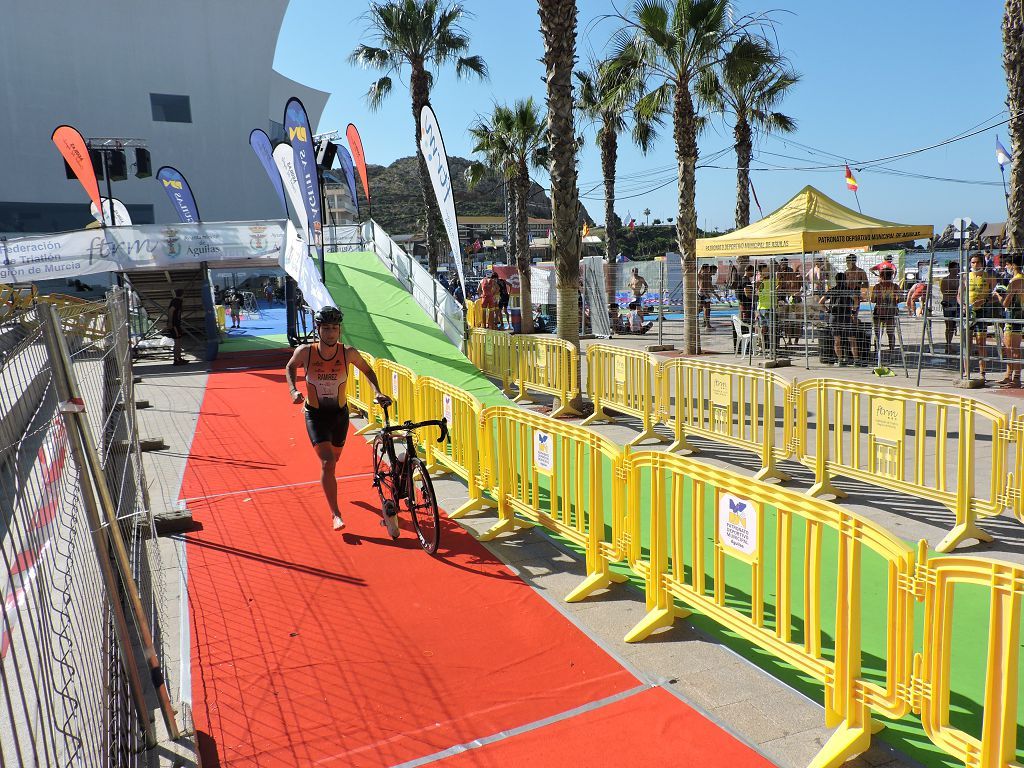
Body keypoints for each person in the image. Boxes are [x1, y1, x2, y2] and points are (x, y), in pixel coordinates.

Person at [285, 306, 393, 532]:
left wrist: (377, 392)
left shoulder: (348, 353)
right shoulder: (306, 352)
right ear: (318, 329)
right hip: (315, 415)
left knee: (335, 459)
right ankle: (336, 513)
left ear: (340, 330)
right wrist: (293, 390)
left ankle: (331, 484)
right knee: (328, 462)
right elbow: (290, 366)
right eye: (326, 328)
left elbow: (368, 371)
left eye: (335, 328)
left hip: (339, 415)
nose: (331, 333)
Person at [960, 253, 998, 383]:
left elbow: (996, 296)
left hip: (982, 312)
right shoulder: (965, 277)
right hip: (968, 313)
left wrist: (984, 301)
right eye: (973, 263)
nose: (975, 265)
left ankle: (983, 372)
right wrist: (964, 306)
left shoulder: (990, 278)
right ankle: (966, 371)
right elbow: (959, 296)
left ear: (983, 263)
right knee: (966, 343)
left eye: (977, 262)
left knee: (981, 343)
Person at [820, 272, 859, 366]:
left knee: (837, 340)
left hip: (835, 317)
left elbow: (821, 302)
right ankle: (856, 361)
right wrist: (853, 310)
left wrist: (827, 311)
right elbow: (856, 301)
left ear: (836, 280)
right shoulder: (849, 290)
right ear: (845, 280)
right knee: (852, 340)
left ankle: (840, 360)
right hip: (846, 316)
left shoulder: (832, 290)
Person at [998, 256, 1023, 388]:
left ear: (1013, 265)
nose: (1007, 267)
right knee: (1013, 348)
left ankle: (1015, 377)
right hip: (1019, 316)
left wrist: (997, 295)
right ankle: (1009, 375)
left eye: (1007, 265)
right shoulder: (1022, 279)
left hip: (1012, 316)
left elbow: (1005, 302)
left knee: (1010, 348)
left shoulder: (1015, 281)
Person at [870, 267, 900, 358]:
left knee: (878, 334)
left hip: (879, 312)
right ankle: (891, 353)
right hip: (891, 312)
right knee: (891, 334)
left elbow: (872, 300)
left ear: (881, 276)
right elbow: (901, 298)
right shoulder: (895, 286)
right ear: (891, 275)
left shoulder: (877, 287)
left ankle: (877, 352)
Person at [939, 261, 961, 353]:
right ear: (951, 269)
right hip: (949, 303)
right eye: (956, 268)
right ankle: (948, 345)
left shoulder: (959, 279)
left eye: (958, 268)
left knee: (959, 325)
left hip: (957, 303)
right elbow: (944, 292)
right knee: (949, 325)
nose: (957, 269)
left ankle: (950, 345)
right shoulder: (945, 280)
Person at [168, 289, 187, 366]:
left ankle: (179, 358)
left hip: (176, 324)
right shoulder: (176, 301)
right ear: (182, 294)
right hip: (174, 325)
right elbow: (171, 310)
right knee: (177, 342)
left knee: (179, 342)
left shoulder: (177, 301)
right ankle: (176, 360)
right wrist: (170, 322)